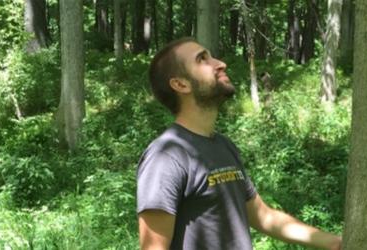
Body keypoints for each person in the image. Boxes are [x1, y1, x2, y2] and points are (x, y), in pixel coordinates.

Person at [136, 37, 342, 250]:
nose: (220, 63)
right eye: (202, 59)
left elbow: (263, 217)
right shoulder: (166, 156)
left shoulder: (223, 146)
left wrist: (334, 242)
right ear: (180, 84)